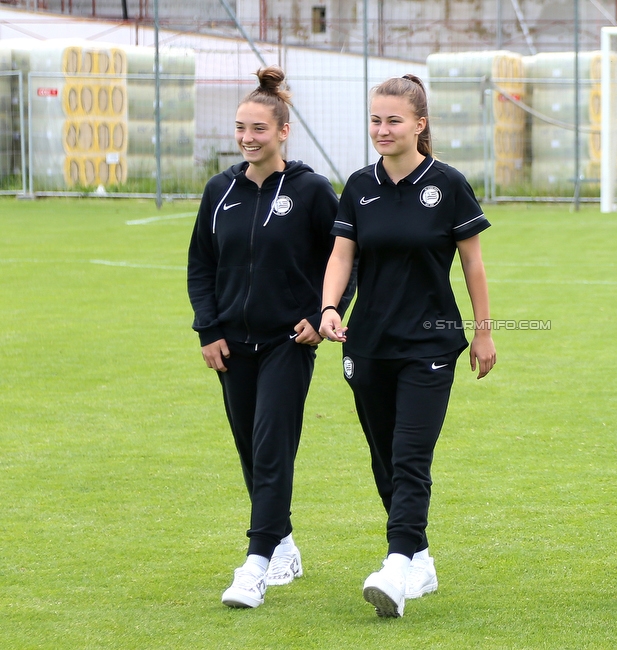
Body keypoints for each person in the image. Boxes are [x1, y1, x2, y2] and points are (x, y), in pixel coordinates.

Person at [318, 74, 496, 619]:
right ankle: (418, 556)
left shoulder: (448, 183)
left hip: (432, 344)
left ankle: (396, 565)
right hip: (367, 344)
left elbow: (472, 263)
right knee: (384, 459)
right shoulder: (358, 185)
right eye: (375, 119)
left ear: (420, 124)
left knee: (410, 457)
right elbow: (342, 256)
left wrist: (484, 330)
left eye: (393, 119)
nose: (382, 129)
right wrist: (328, 307)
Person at [187, 66, 352, 609]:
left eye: (258, 129)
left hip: (289, 341)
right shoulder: (220, 191)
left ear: (283, 132)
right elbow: (201, 266)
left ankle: (255, 563)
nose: (246, 138)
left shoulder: (310, 191)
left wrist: (322, 314)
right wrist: (209, 330)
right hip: (232, 344)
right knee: (249, 450)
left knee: (271, 445)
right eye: (240, 128)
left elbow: (346, 257)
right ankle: (282, 545)